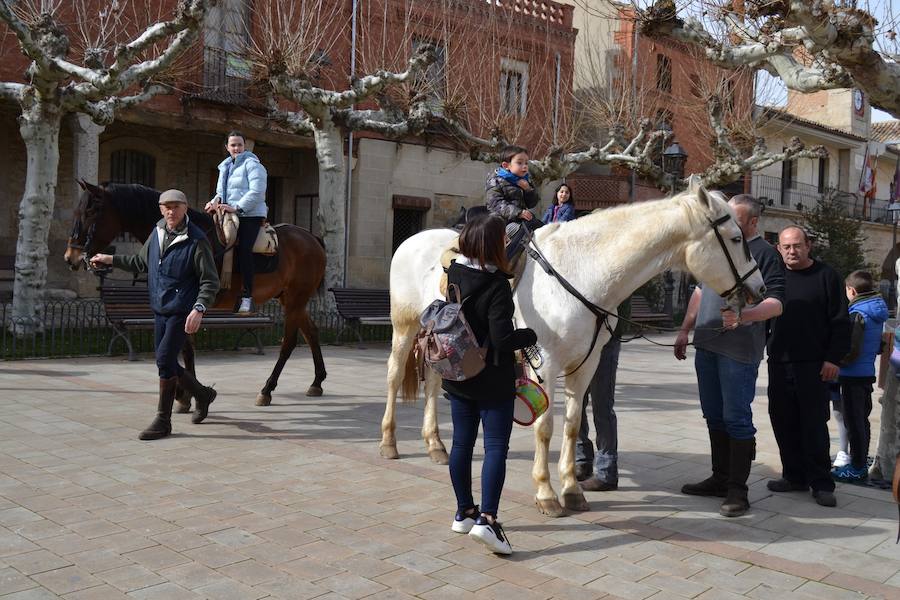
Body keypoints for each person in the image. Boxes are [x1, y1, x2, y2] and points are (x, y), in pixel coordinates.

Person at [674, 194, 785, 517]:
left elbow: (776, 303)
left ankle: (738, 490)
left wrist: (744, 316)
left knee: (736, 417)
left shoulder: (765, 254)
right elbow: (699, 291)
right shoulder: (718, 246)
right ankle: (719, 478)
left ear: (752, 222)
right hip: (707, 345)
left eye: (734, 217)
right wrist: (685, 328)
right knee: (714, 415)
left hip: (738, 352)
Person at [91, 190, 220, 440]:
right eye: (166, 207)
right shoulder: (158, 231)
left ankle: (163, 420)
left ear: (185, 208)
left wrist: (199, 308)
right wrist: (109, 259)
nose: (171, 211)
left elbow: (209, 281)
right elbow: (141, 263)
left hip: (182, 310)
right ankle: (203, 394)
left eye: (176, 207)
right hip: (160, 307)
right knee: (166, 361)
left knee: (163, 360)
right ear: (160, 209)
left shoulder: (196, 239)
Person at [443, 213, 537, 555]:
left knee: (461, 445)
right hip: (491, 378)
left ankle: (464, 511)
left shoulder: (455, 270)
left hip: (457, 373)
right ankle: (488, 520)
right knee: (496, 447)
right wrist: (529, 335)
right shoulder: (496, 285)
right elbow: (501, 338)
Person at [766, 226, 850, 507]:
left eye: (797, 245)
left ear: (809, 245)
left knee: (813, 425)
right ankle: (794, 476)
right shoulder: (773, 278)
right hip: (779, 363)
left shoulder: (827, 276)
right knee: (783, 421)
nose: (792, 251)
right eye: (786, 246)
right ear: (779, 248)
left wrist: (833, 358)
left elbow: (840, 321)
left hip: (814, 365)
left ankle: (822, 483)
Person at [832, 270, 887, 482]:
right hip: (865, 373)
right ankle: (860, 462)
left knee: (853, 422)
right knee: (861, 420)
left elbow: (851, 349)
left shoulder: (858, 313)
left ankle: (856, 467)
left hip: (852, 375)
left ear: (851, 290)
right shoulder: (875, 310)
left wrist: (836, 360)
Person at [205, 130, 268, 314]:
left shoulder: (253, 165)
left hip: (250, 215)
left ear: (244, 146)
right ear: (227, 147)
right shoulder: (224, 167)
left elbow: (257, 192)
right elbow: (220, 193)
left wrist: (238, 208)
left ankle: (247, 296)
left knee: (244, 249)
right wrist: (214, 202)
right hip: (228, 214)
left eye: (239, 144)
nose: (236, 148)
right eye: (233, 145)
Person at [575, 335, 622, 491]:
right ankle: (582, 460)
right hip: (579, 341)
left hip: (605, 341)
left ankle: (606, 473)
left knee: (602, 407)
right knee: (575, 405)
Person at [485, 145, 542, 261]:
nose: (524, 166)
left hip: (521, 219)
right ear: (506, 165)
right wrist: (518, 212)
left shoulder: (525, 180)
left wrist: (528, 190)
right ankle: (503, 262)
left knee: (541, 228)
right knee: (520, 231)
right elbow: (495, 203)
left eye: (526, 163)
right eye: (520, 163)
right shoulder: (495, 179)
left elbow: (532, 203)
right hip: (501, 223)